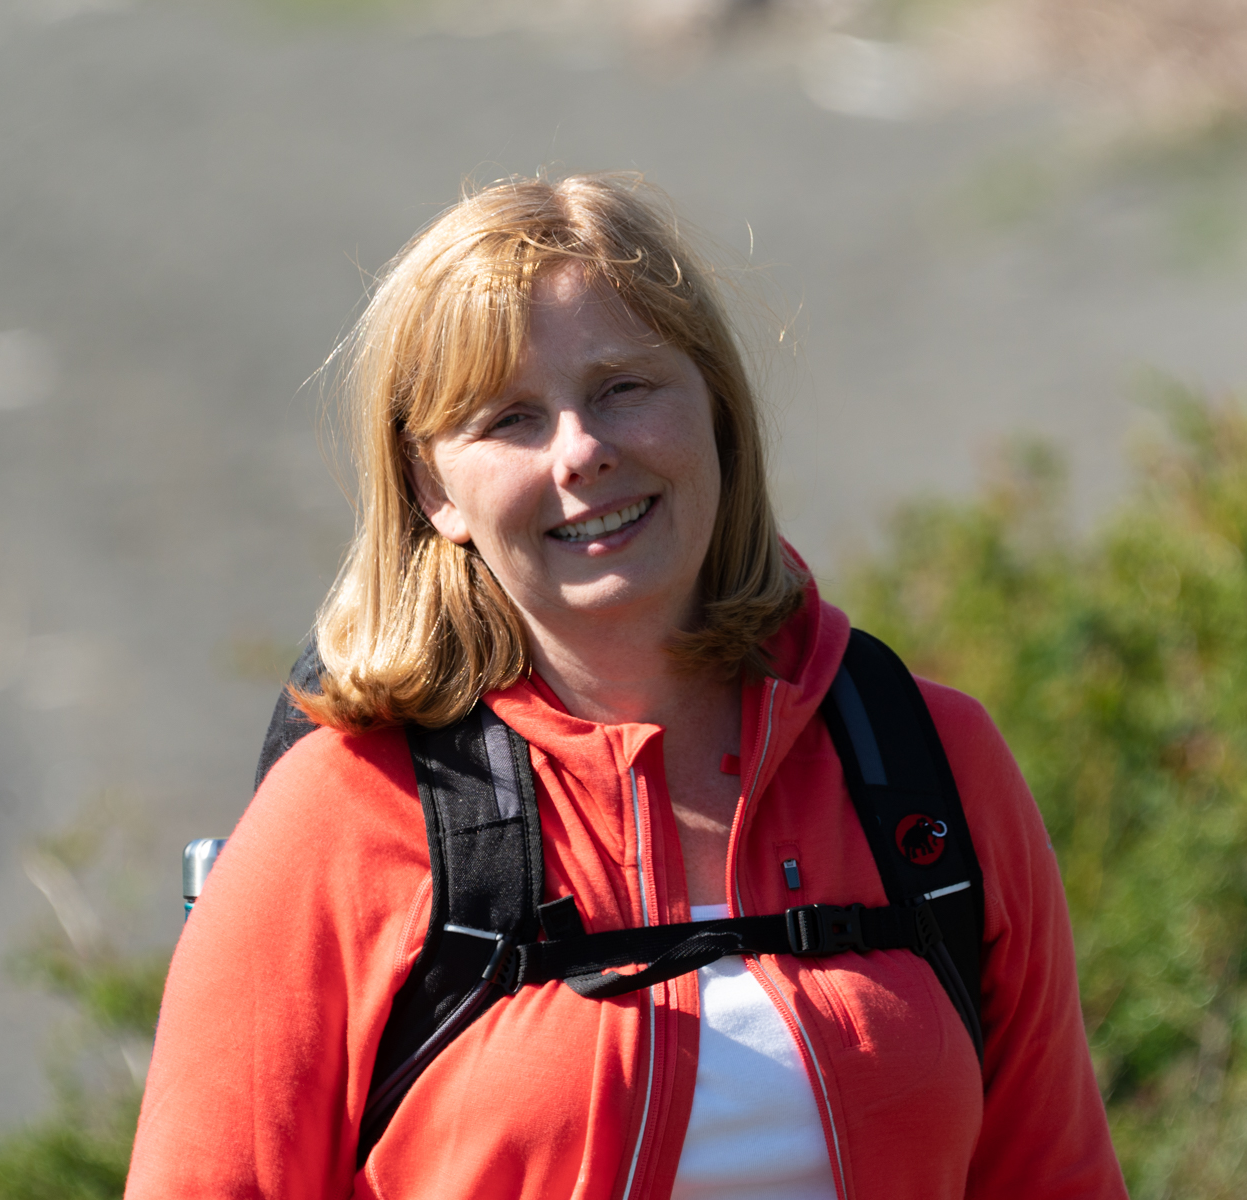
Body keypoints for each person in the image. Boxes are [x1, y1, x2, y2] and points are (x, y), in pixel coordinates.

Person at [125, 173, 1127, 1200]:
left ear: (715, 411)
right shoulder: (336, 823)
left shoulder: (931, 768)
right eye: (509, 419)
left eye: (624, 387)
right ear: (434, 491)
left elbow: (1058, 1178)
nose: (583, 453)